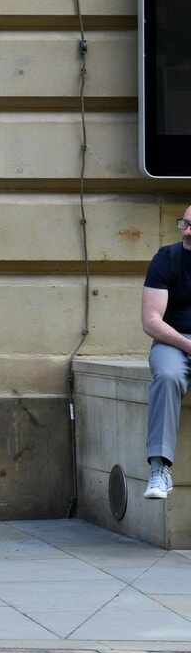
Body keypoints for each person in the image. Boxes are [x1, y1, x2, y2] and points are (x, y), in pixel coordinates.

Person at [139, 205, 191, 499]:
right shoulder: (166, 259)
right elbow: (151, 321)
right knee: (168, 376)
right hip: (173, 341)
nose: (187, 232)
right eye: (185, 223)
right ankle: (160, 470)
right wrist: (187, 345)